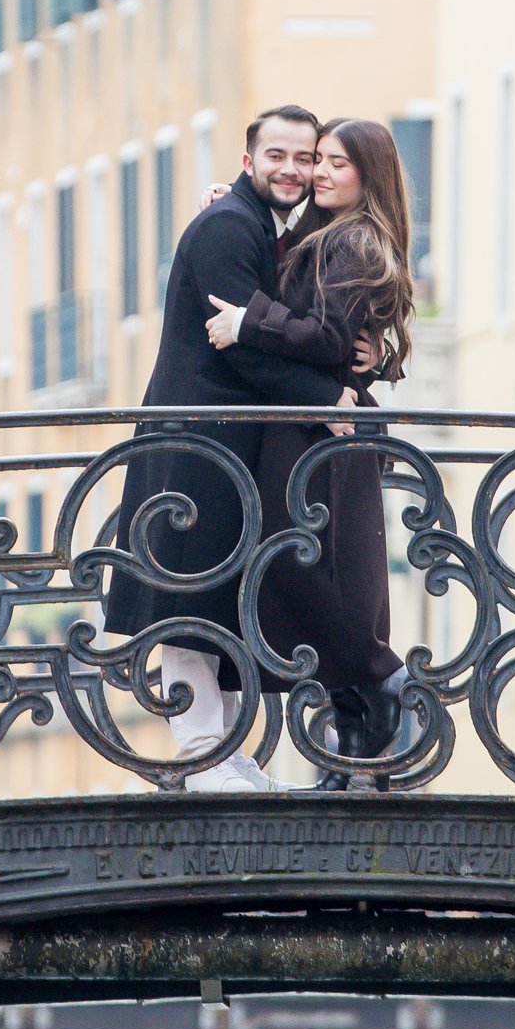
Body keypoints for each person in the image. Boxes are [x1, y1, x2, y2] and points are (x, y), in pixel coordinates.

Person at [101, 105, 350, 790]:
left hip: (221, 437)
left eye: (305, 158)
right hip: (194, 439)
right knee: (187, 590)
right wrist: (325, 399)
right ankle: (200, 751)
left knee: (219, 586)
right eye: (278, 155)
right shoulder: (229, 228)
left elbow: (267, 335)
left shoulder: (256, 225)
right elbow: (245, 348)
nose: (293, 169)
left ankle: (222, 751)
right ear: (249, 162)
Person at [203, 117, 415, 770]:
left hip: (321, 436)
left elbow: (324, 337)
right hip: (310, 431)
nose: (319, 172)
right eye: (318, 160)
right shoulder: (328, 236)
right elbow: (330, 325)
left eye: (336, 164)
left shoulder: (353, 242)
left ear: (367, 176)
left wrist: (247, 321)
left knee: (311, 571)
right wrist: (231, 205)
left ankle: (379, 690)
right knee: (308, 569)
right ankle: (359, 716)